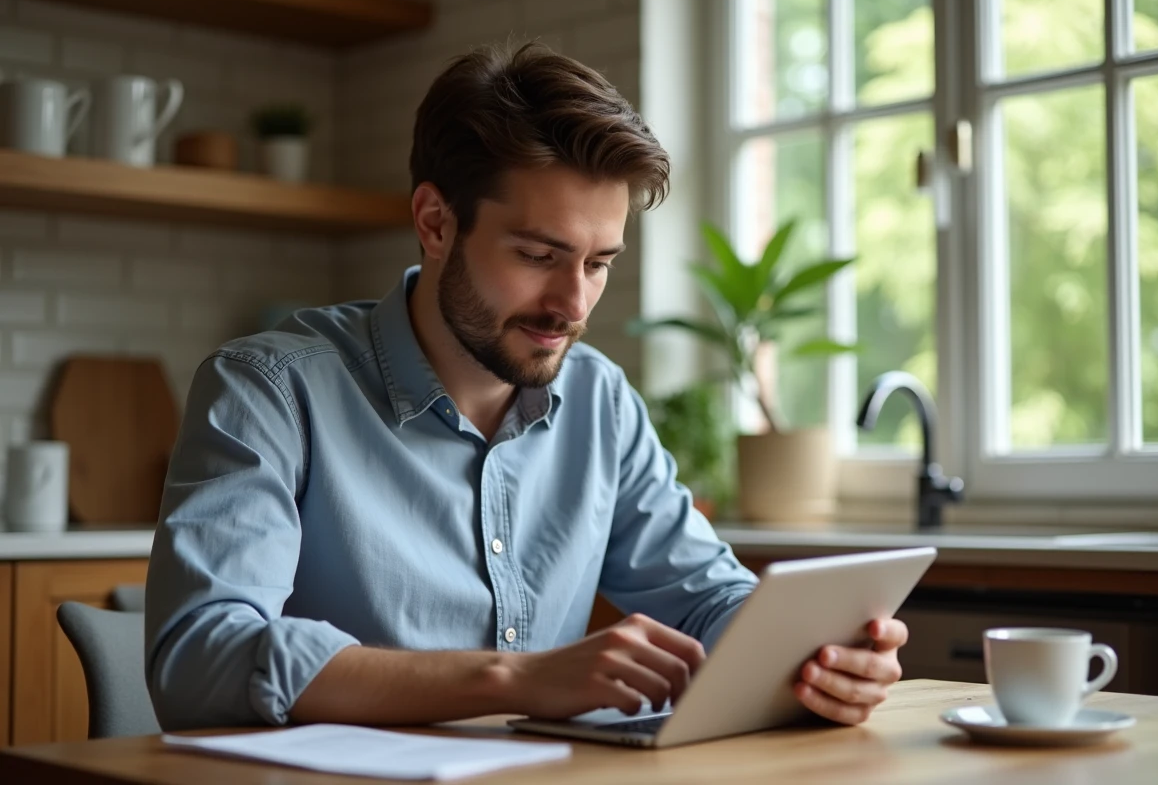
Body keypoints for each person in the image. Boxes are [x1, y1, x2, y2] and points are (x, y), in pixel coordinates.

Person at [144, 41, 909, 732]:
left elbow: (709, 599)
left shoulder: (601, 402)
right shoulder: (269, 390)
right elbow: (200, 658)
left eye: (599, 263)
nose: (573, 305)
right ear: (436, 222)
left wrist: (820, 658)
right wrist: (517, 678)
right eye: (540, 255)